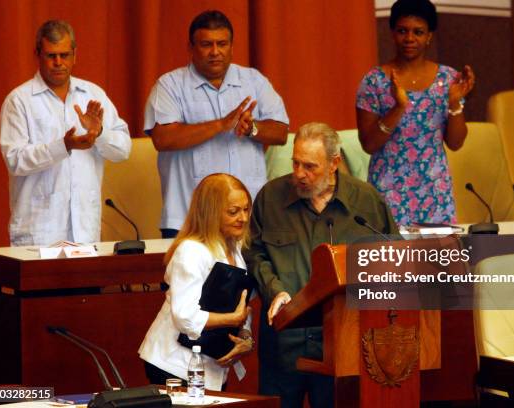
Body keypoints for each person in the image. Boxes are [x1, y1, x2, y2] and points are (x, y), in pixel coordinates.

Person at [246, 122, 398, 408]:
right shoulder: (271, 198)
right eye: (296, 163)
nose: (300, 174)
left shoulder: (366, 201)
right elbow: (255, 254)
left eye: (310, 166)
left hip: (344, 343)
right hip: (284, 341)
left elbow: (393, 255)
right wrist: (274, 290)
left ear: (334, 164)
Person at [144, 10, 289, 239]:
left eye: (222, 44)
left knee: (251, 276)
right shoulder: (170, 85)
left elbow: (281, 132)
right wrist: (220, 125)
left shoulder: (254, 81)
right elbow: (163, 138)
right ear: (191, 48)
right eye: (206, 44)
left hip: (247, 219)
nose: (215, 52)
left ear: (231, 46)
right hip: (188, 219)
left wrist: (252, 129)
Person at [0, 20, 131, 247]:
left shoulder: (93, 93)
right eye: (51, 56)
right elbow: (15, 160)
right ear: (37, 54)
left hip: (85, 235)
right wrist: (64, 146)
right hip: (38, 234)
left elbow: (123, 150)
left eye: (64, 55)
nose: (58, 63)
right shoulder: (19, 100)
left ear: (75, 55)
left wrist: (98, 132)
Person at [355, 0, 475, 226]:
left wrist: (454, 101)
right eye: (402, 31)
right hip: (388, 192)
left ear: (429, 35)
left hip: (435, 195)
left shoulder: (448, 79)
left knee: (434, 261)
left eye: (418, 32)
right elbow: (369, 144)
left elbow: (456, 143)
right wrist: (398, 107)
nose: (409, 38)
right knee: (389, 261)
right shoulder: (374, 81)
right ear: (392, 33)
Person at [139, 173, 254, 390]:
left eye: (246, 209)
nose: (243, 218)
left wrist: (245, 337)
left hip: (211, 363)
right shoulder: (191, 251)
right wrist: (233, 319)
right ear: (210, 213)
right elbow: (185, 317)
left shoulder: (234, 249)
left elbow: (241, 304)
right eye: (233, 211)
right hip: (174, 364)